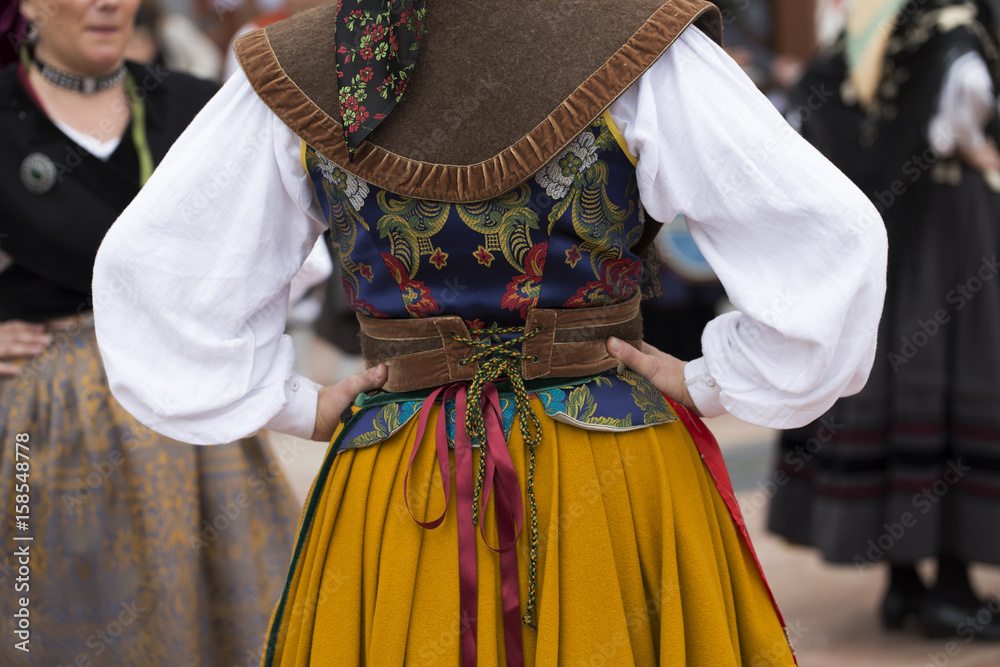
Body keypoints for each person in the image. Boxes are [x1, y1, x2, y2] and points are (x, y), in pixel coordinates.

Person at [93, 0, 887, 664]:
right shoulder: (636, 41)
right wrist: (713, 380)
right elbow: (833, 240)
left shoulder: (302, 60)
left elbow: (152, 273)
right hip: (605, 462)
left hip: (401, 473)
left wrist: (297, 404)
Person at [0, 0, 299, 663]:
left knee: (221, 617)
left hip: (188, 407)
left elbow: (276, 251)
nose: (108, 2)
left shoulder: (194, 106)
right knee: (47, 613)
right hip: (42, 419)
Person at [768, 0, 1000, 639]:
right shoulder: (952, 33)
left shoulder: (849, 43)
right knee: (951, 386)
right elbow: (961, 121)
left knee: (887, 384)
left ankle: (903, 585)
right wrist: (983, 156)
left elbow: (804, 126)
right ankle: (950, 590)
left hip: (876, 244)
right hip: (950, 237)